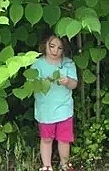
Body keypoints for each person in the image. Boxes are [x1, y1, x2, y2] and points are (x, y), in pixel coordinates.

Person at [32, 33, 78, 171]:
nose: (54, 50)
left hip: (64, 109)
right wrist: (42, 82)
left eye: (59, 48)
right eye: (51, 46)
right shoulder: (37, 64)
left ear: (64, 50)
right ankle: (46, 166)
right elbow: (31, 84)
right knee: (46, 139)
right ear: (44, 45)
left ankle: (65, 164)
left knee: (64, 139)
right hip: (45, 110)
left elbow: (74, 84)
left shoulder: (68, 63)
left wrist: (67, 81)